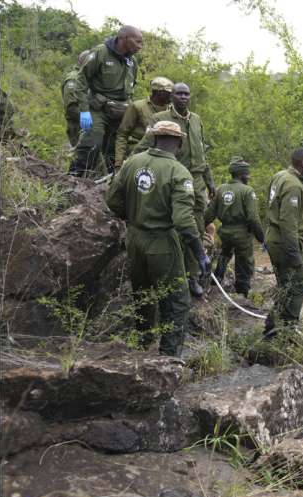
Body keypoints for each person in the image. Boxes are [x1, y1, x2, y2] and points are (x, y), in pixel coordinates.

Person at [106, 120, 210, 357]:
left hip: (134, 239)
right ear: (180, 143)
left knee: (142, 294)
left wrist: (132, 215)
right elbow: (184, 221)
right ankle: (169, 360)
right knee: (177, 301)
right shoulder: (178, 172)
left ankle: (142, 345)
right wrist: (200, 253)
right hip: (162, 241)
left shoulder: (133, 162)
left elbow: (112, 199)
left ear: (154, 138)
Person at [134, 82, 215, 297]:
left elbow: (202, 154)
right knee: (172, 226)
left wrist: (210, 181)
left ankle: (192, 276)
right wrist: (129, 168)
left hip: (196, 183)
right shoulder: (161, 120)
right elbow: (144, 147)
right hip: (171, 179)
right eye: (178, 93)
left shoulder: (196, 120)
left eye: (186, 94)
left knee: (195, 227)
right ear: (171, 97)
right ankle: (170, 275)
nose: (183, 97)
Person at [68, 25, 143, 177]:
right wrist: (84, 110)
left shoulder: (132, 61)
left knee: (116, 149)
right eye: (138, 42)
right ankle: (74, 178)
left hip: (120, 111)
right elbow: (81, 81)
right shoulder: (100, 53)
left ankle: (110, 181)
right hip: (98, 109)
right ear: (124, 38)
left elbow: (130, 88)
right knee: (91, 143)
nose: (140, 46)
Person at [263, 148, 303, 336]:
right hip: (284, 242)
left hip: (274, 238)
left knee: (285, 285)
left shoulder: (279, 176)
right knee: (297, 286)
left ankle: (272, 327)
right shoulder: (293, 185)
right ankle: (288, 329)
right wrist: (294, 254)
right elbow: (288, 222)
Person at [204, 156, 265, 298]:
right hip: (242, 235)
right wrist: (261, 238)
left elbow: (209, 215)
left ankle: (216, 284)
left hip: (224, 232)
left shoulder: (220, 189)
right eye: (247, 175)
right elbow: (253, 218)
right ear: (242, 175)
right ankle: (242, 293)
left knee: (224, 255)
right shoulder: (247, 191)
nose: (248, 177)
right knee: (244, 263)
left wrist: (199, 229)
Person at [114, 76, 173, 170]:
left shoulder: (171, 110)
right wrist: (118, 163)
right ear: (159, 93)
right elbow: (122, 134)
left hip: (162, 152)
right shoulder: (138, 106)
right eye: (169, 93)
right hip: (138, 151)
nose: (172, 96)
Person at [61, 50, 91, 147]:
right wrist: (91, 118)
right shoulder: (74, 78)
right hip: (77, 126)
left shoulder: (87, 76)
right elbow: (71, 108)